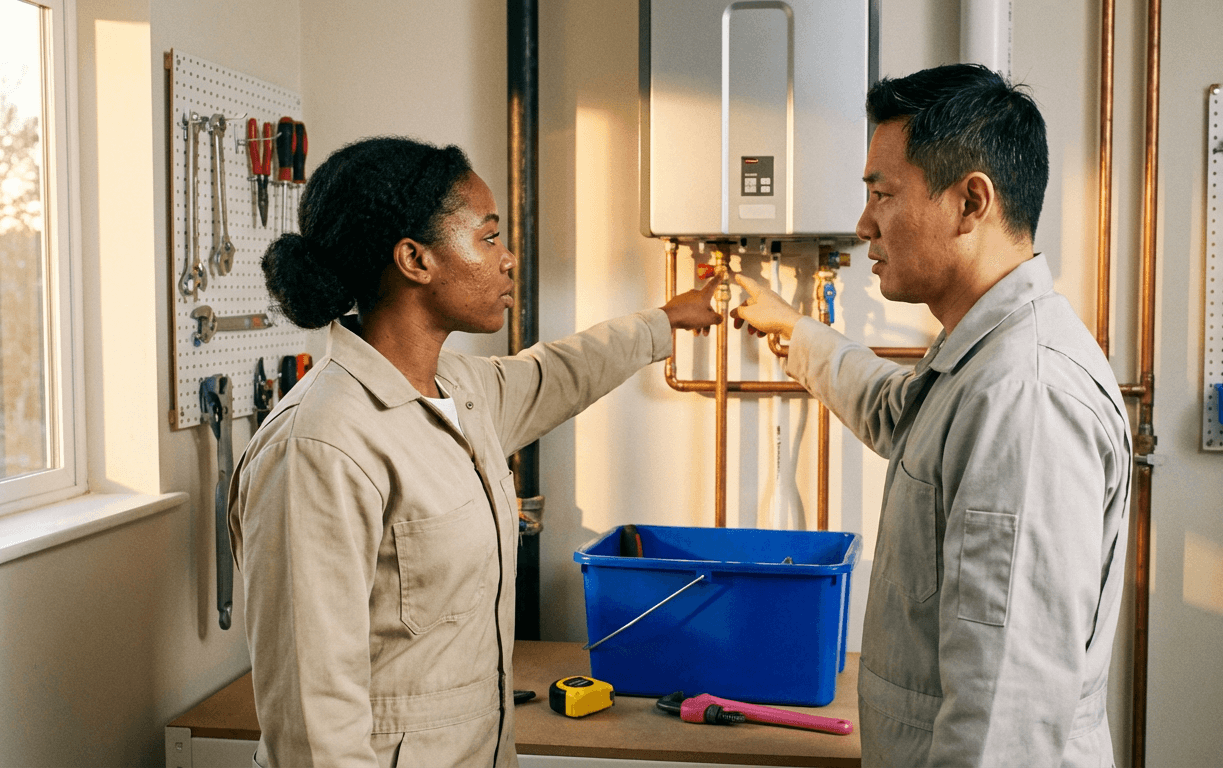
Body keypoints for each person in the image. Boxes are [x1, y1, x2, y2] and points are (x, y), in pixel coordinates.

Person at [227, 136, 722, 768]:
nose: (508, 258)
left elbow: (556, 374)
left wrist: (667, 321)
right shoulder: (320, 447)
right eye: (488, 238)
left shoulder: (459, 388)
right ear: (415, 259)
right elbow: (312, 721)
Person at [731, 65, 1133, 766]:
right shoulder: (982, 354)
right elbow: (900, 416)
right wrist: (793, 330)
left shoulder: (1024, 398)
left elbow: (1005, 713)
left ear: (970, 202)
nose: (864, 226)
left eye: (882, 194)